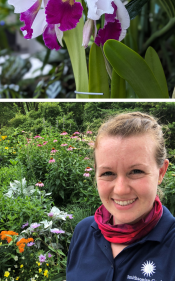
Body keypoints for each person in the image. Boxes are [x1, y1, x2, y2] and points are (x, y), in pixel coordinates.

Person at [66, 112, 175, 280]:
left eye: (136, 171)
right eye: (108, 173)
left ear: (161, 172)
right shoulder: (84, 232)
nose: (121, 190)